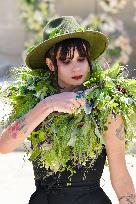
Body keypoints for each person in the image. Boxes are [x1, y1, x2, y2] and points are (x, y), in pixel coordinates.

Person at [0, 16, 136, 204]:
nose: (76, 67)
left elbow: (120, 174)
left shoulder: (105, 106)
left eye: (82, 59)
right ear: (51, 64)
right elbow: (4, 146)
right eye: (66, 61)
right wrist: (48, 104)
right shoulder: (35, 100)